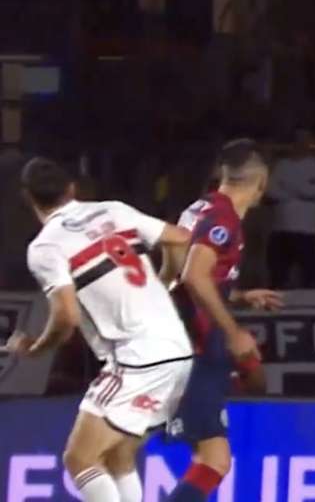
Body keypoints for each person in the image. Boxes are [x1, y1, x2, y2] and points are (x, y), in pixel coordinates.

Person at [5, 157, 193, 502]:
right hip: (177, 350)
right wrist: (165, 279)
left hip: (137, 359)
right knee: (118, 457)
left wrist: (33, 348)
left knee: (79, 459)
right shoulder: (114, 210)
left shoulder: (46, 247)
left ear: (28, 198)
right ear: (72, 189)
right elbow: (180, 238)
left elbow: (66, 318)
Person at [161, 138, 282, 501]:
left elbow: (185, 273)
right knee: (213, 459)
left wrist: (240, 295)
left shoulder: (200, 208)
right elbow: (194, 276)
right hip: (197, 343)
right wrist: (233, 333)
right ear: (261, 181)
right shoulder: (223, 217)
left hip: (181, 337)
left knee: (213, 458)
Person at [265, 127, 315, 288]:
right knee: (277, 276)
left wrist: (287, 185)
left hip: (307, 230)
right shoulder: (281, 165)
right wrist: (300, 189)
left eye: (306, 138)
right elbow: (271, 191)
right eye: (298, 138)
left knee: (309, 277)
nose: (302, 143)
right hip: (281, 228)